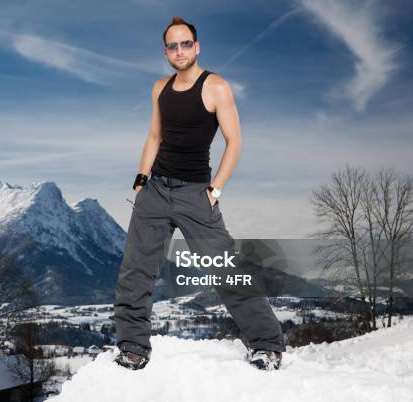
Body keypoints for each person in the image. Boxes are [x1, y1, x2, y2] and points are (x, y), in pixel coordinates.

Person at [113, 16, 285, 371]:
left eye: (185, 43)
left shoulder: (216, 86)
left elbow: (234, 141)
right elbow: (154, 137)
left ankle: (267, 344)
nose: (180, 50)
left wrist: (215, 188)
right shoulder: (159, 87)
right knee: (136, 271)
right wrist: (141, 179)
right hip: (155, 190)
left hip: (196, 193)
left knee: (224, 268)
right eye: (172, 46)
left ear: (197, 46)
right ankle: (133, 347)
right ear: (166, 51)